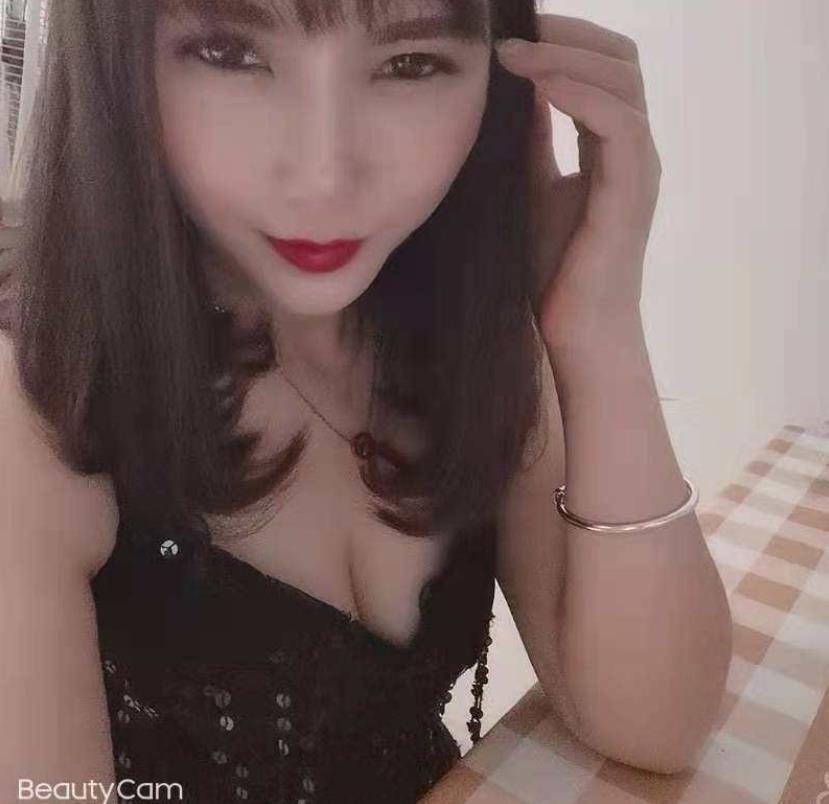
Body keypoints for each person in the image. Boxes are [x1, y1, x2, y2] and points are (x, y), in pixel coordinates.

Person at [0, 0, 732, 802]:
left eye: (410, 64)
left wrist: (598, 326)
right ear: (111, 62)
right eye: (228, 53)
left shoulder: (463, 333)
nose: (324, 177)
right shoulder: (33, 403)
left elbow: (655, 724)